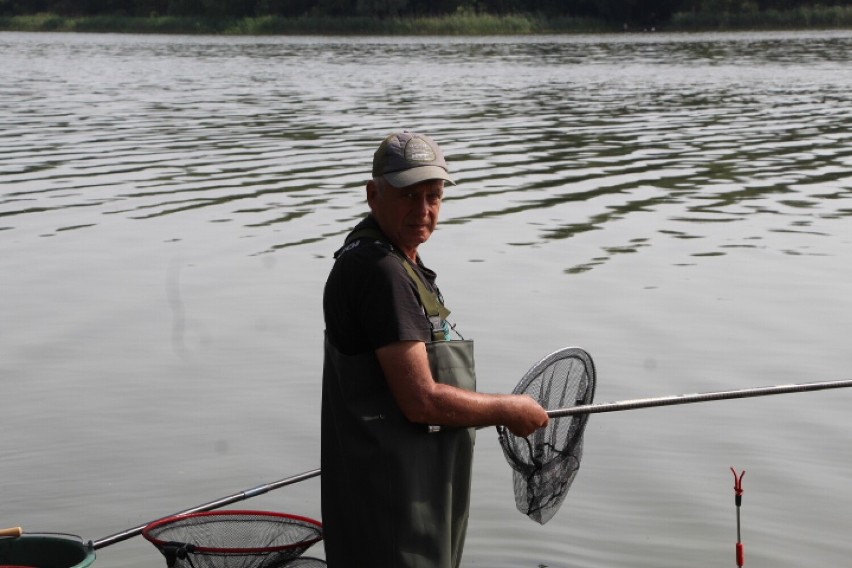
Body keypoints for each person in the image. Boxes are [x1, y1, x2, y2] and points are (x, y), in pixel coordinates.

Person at [321, 131, 549, 568]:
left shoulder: (390, 259)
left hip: (410, 495)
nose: (423, 211)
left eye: (433, 196)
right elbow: (421, 400)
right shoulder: (380, 273)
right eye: (408, 195)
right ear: (374, 194)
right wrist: (507, 408)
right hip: (394, 511)